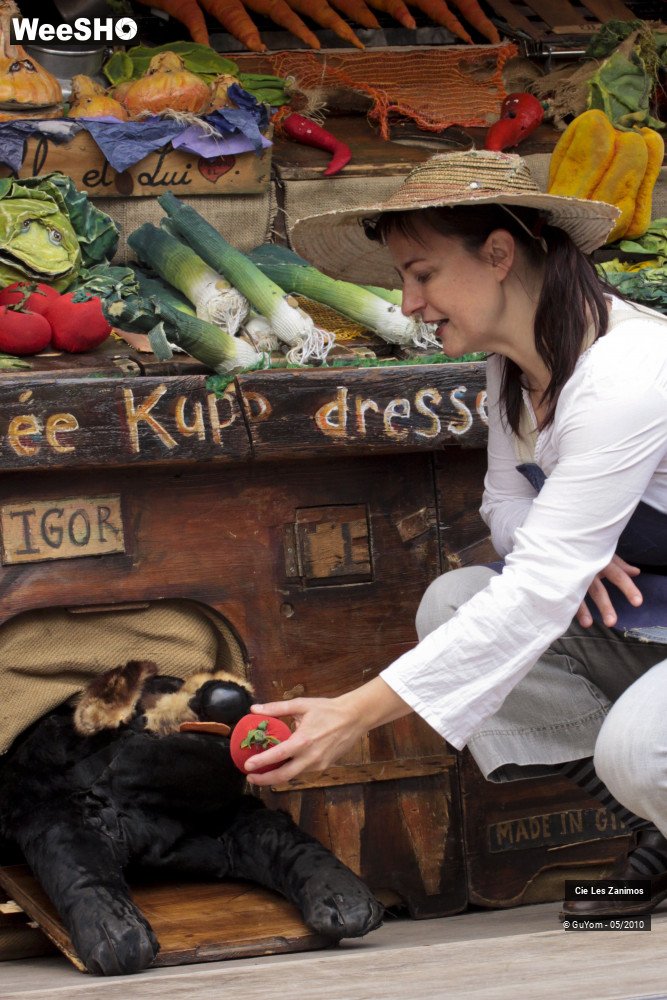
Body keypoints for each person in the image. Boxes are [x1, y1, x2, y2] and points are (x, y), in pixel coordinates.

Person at [244, 150, 667, 915]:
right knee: (454, 601)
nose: (407, 302)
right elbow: (501, 509)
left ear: (498, 254)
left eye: (422, 273)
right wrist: (573, 541)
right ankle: (659, 838)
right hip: (649, 617)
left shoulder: (629, 369)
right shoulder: (512, 371)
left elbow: (538, 586)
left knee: (639, 750)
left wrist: (352, 713)